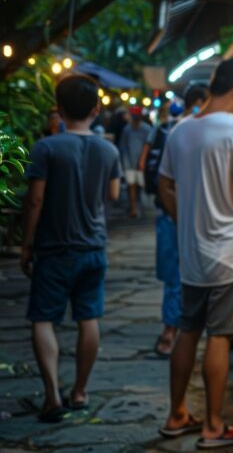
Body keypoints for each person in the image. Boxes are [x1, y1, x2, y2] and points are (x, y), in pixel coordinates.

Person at [158, 59, 233, 448]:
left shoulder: (180, 131)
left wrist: (187, 222)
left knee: (187, 331)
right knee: (220, 336)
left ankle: (176, 415)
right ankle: (212, 426)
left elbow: (164, 186)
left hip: (193, 254)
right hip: (227, 252)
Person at [21, 74, 121, 422]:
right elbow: (113, 195)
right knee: (88, 317)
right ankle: (80, 391)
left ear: (59, 109)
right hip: (93, 246)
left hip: (54, 248)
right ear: (96, 109)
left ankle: (52, 395)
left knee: (43, 318)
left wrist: (27, 244)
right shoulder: (109, 149)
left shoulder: (46, 147)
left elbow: (35, 201)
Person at [140, 83, 210, 358]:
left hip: (173, 215)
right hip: (181, 216)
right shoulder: (188, 133)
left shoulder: (174, 131)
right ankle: (173, 331)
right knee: (180, 277)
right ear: (201, 103)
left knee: (177, 276)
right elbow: (164, 182)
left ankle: (176, 330)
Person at [118, 107, 152, 218]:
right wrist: (124, 162)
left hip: (142, 163)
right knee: (131, 185)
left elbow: (149, 145)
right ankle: (134, 208)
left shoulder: (147, 129)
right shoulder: (127, 129)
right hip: (129, 161)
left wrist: (143, 160)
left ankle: (141, 206)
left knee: (141, 185)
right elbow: (123, 146)